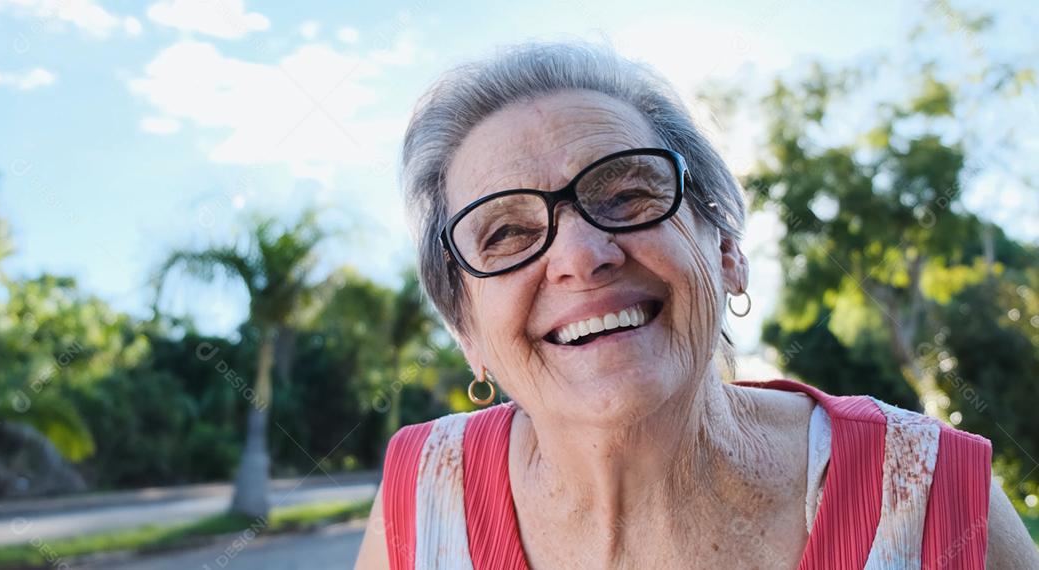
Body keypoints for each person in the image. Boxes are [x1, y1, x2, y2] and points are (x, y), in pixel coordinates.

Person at [355, 42, 1039, 569]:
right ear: (466, 329)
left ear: (727, 252)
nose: (581, 255)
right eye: (506, 233)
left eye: (628, 195)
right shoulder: (423, 495)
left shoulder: (936, 496)